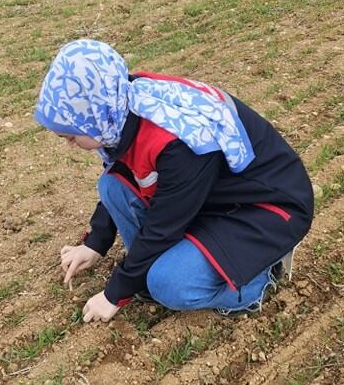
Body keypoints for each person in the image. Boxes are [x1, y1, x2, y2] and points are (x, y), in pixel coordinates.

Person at [34, 39, 314, 324]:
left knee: (168, 285)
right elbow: (122, 170)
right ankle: (148, 269)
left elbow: (163, 227)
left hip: (265, 211)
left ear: (96, 116)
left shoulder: (180, 145)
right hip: (209, 199)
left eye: (70, 136)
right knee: (112, 186)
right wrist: (95, 242)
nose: (70, 144)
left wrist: (114, 294)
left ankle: (258, 280)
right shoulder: (120, 106)